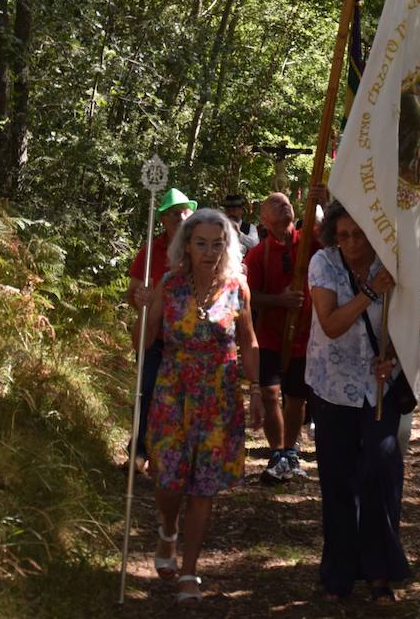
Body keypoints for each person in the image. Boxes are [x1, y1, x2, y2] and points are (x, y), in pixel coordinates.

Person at [145, 207, 263, 602]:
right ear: (187, 246)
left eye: (218, 243)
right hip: (173, 393)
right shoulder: (170, 284)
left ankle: (190, 571)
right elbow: (142, 344)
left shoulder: (237, 288)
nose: (210, 251)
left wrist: (259, 390)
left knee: (203, 486)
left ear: (227, 246)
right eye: (201, 244)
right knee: (168, 479)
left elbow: (248, 341)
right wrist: (145, 310)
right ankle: (167, 528)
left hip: (219, 396)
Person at [305, 200, 410, 602]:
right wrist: (369, 291)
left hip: (379, 388)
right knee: (338, 480)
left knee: (381, 472)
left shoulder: (393, 262)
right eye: (343, 235)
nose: (350, 242)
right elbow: (331, 324)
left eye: (359, 234)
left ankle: (380, 571)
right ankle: (338, 573)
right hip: (332, 386)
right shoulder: (324, 264)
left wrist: (394, 357)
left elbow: (410, 320)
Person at [244, 191, 318, 482]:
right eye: (275, 204)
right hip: (270, 336)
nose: (283, 206)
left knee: (297, 398)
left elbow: (338, 245)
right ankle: (277, 453)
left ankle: (291, 451)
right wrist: (280, 300)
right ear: (263, 218)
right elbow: (250, 298)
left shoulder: (310, 242)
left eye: (286, 202)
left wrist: (323, 201)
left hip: (307, 335)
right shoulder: (257, 254)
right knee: (271, 393)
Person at [127, 188, 197, 467]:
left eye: (184, 212)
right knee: (146, 389)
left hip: (191, 338)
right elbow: (131, 290)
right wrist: (140, 298)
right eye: (174, 213)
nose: (181, 217)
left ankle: (180, 451)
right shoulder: (150, 249)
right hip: (155, 335)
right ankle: (139, 449)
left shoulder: (198, 247)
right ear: (164, 220)